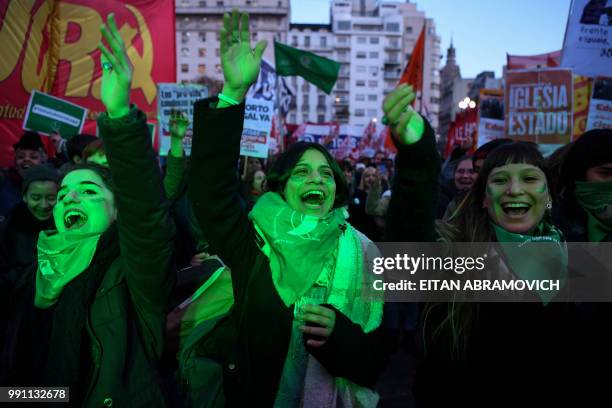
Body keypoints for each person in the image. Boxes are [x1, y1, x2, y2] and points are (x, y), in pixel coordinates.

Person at [187, 10, 386, 406]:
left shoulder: (364, 251)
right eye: (302, 173)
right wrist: (231, 96)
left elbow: (378, 357)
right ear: (280, 186)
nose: (316, 180)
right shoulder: (255, 242)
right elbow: (212, 192)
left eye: (325, 174)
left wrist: (339, 337)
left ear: (337, 188)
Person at [1, 15, 175, 406]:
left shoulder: (131, 272)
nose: (69, 199)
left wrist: (118, 116)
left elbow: (148, 217)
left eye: (88, 191)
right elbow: (17, 369)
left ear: (117, 212)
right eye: (63, 195)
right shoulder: (35, 273)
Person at [383, 84, 574, 406]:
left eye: (529, 178)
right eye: (500, 180)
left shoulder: (579, 258)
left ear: (549, 194)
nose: (514, 189)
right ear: (484, 199)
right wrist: (417, 155)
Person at [0, 131, 47, 218]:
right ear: (16, 163)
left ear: (42, 162)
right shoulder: (3, 180)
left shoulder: (52, 186)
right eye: (21, 156)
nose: (26, 159)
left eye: (33, 157)